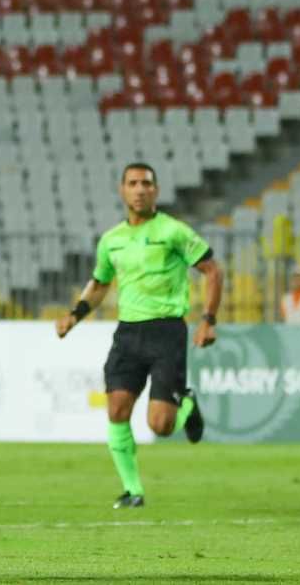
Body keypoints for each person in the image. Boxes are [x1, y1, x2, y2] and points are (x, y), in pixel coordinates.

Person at [55, 163, 223, 509]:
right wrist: (75, 315)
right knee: (117, 408)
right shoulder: (111, 240)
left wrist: (208, 320)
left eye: (146, 183)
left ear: (156, 191)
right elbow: (100, 283)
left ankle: (186, 405)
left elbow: (212, 270)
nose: (140, 189)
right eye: (133, 183)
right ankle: (133, 490)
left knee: (160, 426)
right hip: (128, 333)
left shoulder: (173, 231)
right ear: (123, 190)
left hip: (166, 331)